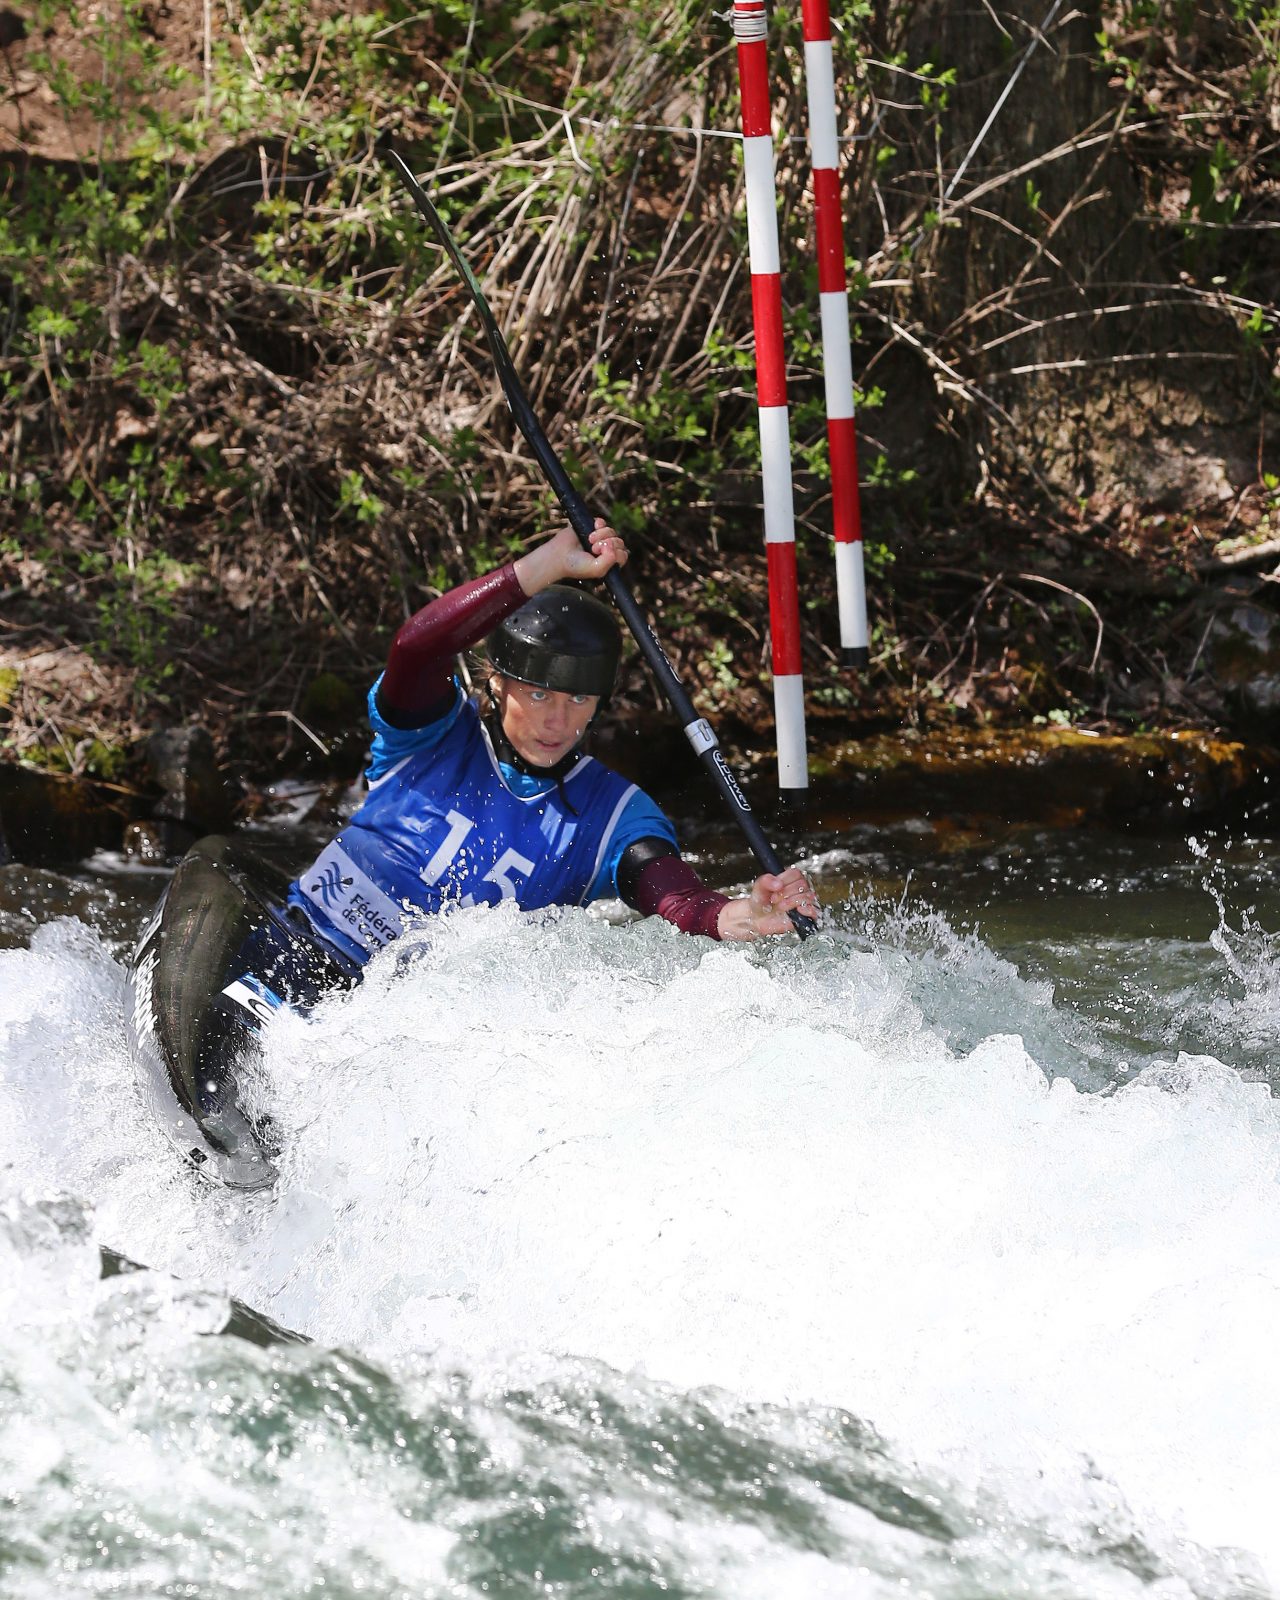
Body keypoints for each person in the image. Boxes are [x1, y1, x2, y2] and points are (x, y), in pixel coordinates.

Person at [288, 518, 819, 966]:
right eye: (539, 695)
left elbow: (678, 898)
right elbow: (415, 650)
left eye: (579, 700)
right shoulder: (431, 734)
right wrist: (544, 566)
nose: (558, 723)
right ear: (496, 681)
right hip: (303, 939)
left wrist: (737, 915)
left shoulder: (613, 816)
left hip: (412, 1021)